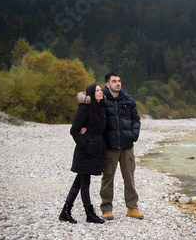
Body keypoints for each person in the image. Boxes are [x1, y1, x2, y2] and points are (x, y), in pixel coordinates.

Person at [59, 84, 106, 224]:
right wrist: (85, 144)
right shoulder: (85, 108)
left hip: (95, 151)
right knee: (85, 183)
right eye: (97, 90)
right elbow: (74, 130)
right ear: (91, 93)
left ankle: (65, 212)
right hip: (85, 151)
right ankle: (89, 213)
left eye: (101, 90)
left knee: (79, 182)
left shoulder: (101, 108)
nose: (100, 92)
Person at [100, 72, 143, 220]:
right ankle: (106, 209)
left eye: (119, 81)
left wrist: (134, 135)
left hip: (126, 146)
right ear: (107, 84)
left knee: (129, 178)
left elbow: (136, 119)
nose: (117, 83)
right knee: (108, 178)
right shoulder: (102, 100)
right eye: (114, 81)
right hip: (110, 146)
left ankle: (132, 208)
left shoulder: (128, 99)